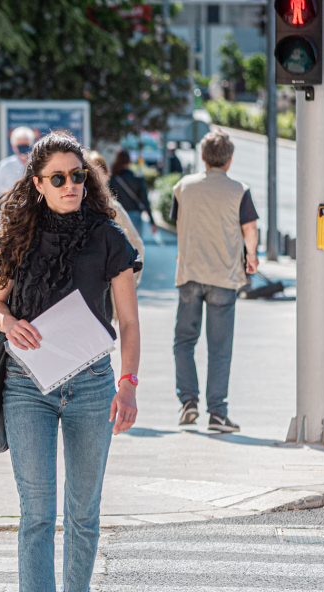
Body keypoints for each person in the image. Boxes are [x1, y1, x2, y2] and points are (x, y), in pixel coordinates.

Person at [0, 131, 142, 592]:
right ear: (37, 184)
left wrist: (129, 382)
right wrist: (8, 323)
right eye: (59, 177)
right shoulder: (17, 236)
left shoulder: (108, 238)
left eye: (78, 176)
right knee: (37, 512)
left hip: (94, 384)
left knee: (83, 511)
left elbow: (128, 321)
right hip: (27, 385)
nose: (71, 184)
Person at [169, 129, 258, 432]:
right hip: (224, 276)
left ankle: (188, 403)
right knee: (219, 348)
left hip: (190, 274)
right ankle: (217, 413)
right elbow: (249, 228)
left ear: (203, 157)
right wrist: (253, 256)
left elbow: (177, 222)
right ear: (229, 160)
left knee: (184, 342)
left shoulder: (183, 187)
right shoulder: (239, 190)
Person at [85, 149, 146, 316]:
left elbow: (135, 244)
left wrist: (128, 281)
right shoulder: (70, 206)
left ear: (106, 175)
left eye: (96, 173)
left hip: (104, 291)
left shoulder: (111, 207)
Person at [108, 150, 158, 239]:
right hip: (135, 216)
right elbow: (145, 201)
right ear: (129, 162)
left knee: (120, 248)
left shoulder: (113, 179)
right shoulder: (137, 179)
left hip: (119, 216)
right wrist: (152, 221)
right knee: (137, 248)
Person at [0, 126, 38, 201]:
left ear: (32, 145)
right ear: (13, 146)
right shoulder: (5, 165)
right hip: (10, 209)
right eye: (20, 146)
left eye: (26, 146)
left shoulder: (38, 164)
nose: (23, 149)